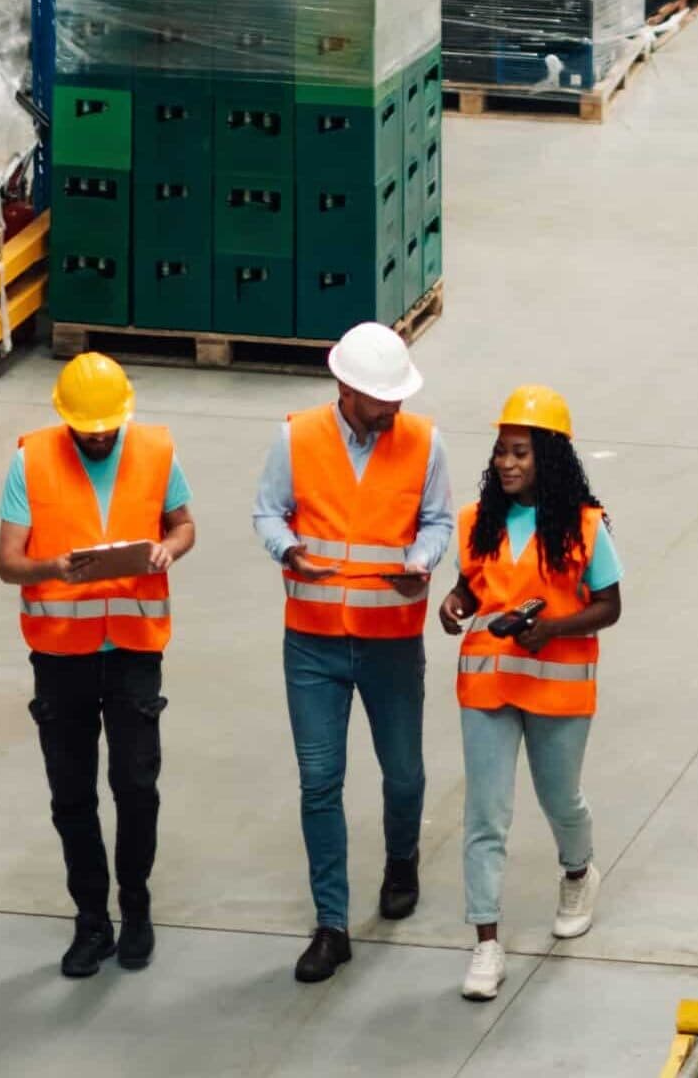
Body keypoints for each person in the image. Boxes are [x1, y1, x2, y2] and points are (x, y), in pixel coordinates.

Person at [254, 320, 452, 984]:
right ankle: (331, 926)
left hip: (392, 641)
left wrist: (421, 562)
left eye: (398, 395)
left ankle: (402, 859)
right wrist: (290, 551)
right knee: (319, 783)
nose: (393, 408)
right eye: (380, 397)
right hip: (313, 643)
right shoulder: (297, 438)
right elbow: (267, 512)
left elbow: (438, 521)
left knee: (404, 774)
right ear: (345, 388)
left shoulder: (425, 444)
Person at [0, 352, 196, 979]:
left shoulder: (157, 451)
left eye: (109, 426)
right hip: (61, 658)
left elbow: (184, 525)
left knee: (136, 788)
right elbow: (7, 563)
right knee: (73, 795)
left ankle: (136, 911)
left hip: (135, 649)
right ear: (68, 421)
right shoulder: (30, 460)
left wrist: (167, 550)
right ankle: (91, 921)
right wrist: (51, 568)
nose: (101, 437)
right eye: (90, 429)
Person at [437, 384, 623, 1001]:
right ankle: (486, 944)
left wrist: (552, 629)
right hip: (487, 685)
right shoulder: (477, 521)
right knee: (485, 815)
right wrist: (455, 603)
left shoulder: (585, 527)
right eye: (500, 452)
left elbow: (609, 606)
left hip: (558, 689)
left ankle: (578, 871)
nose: (507, 464)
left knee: (559, 798)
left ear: (548, 456)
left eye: (520, 452)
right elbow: (473, 587)